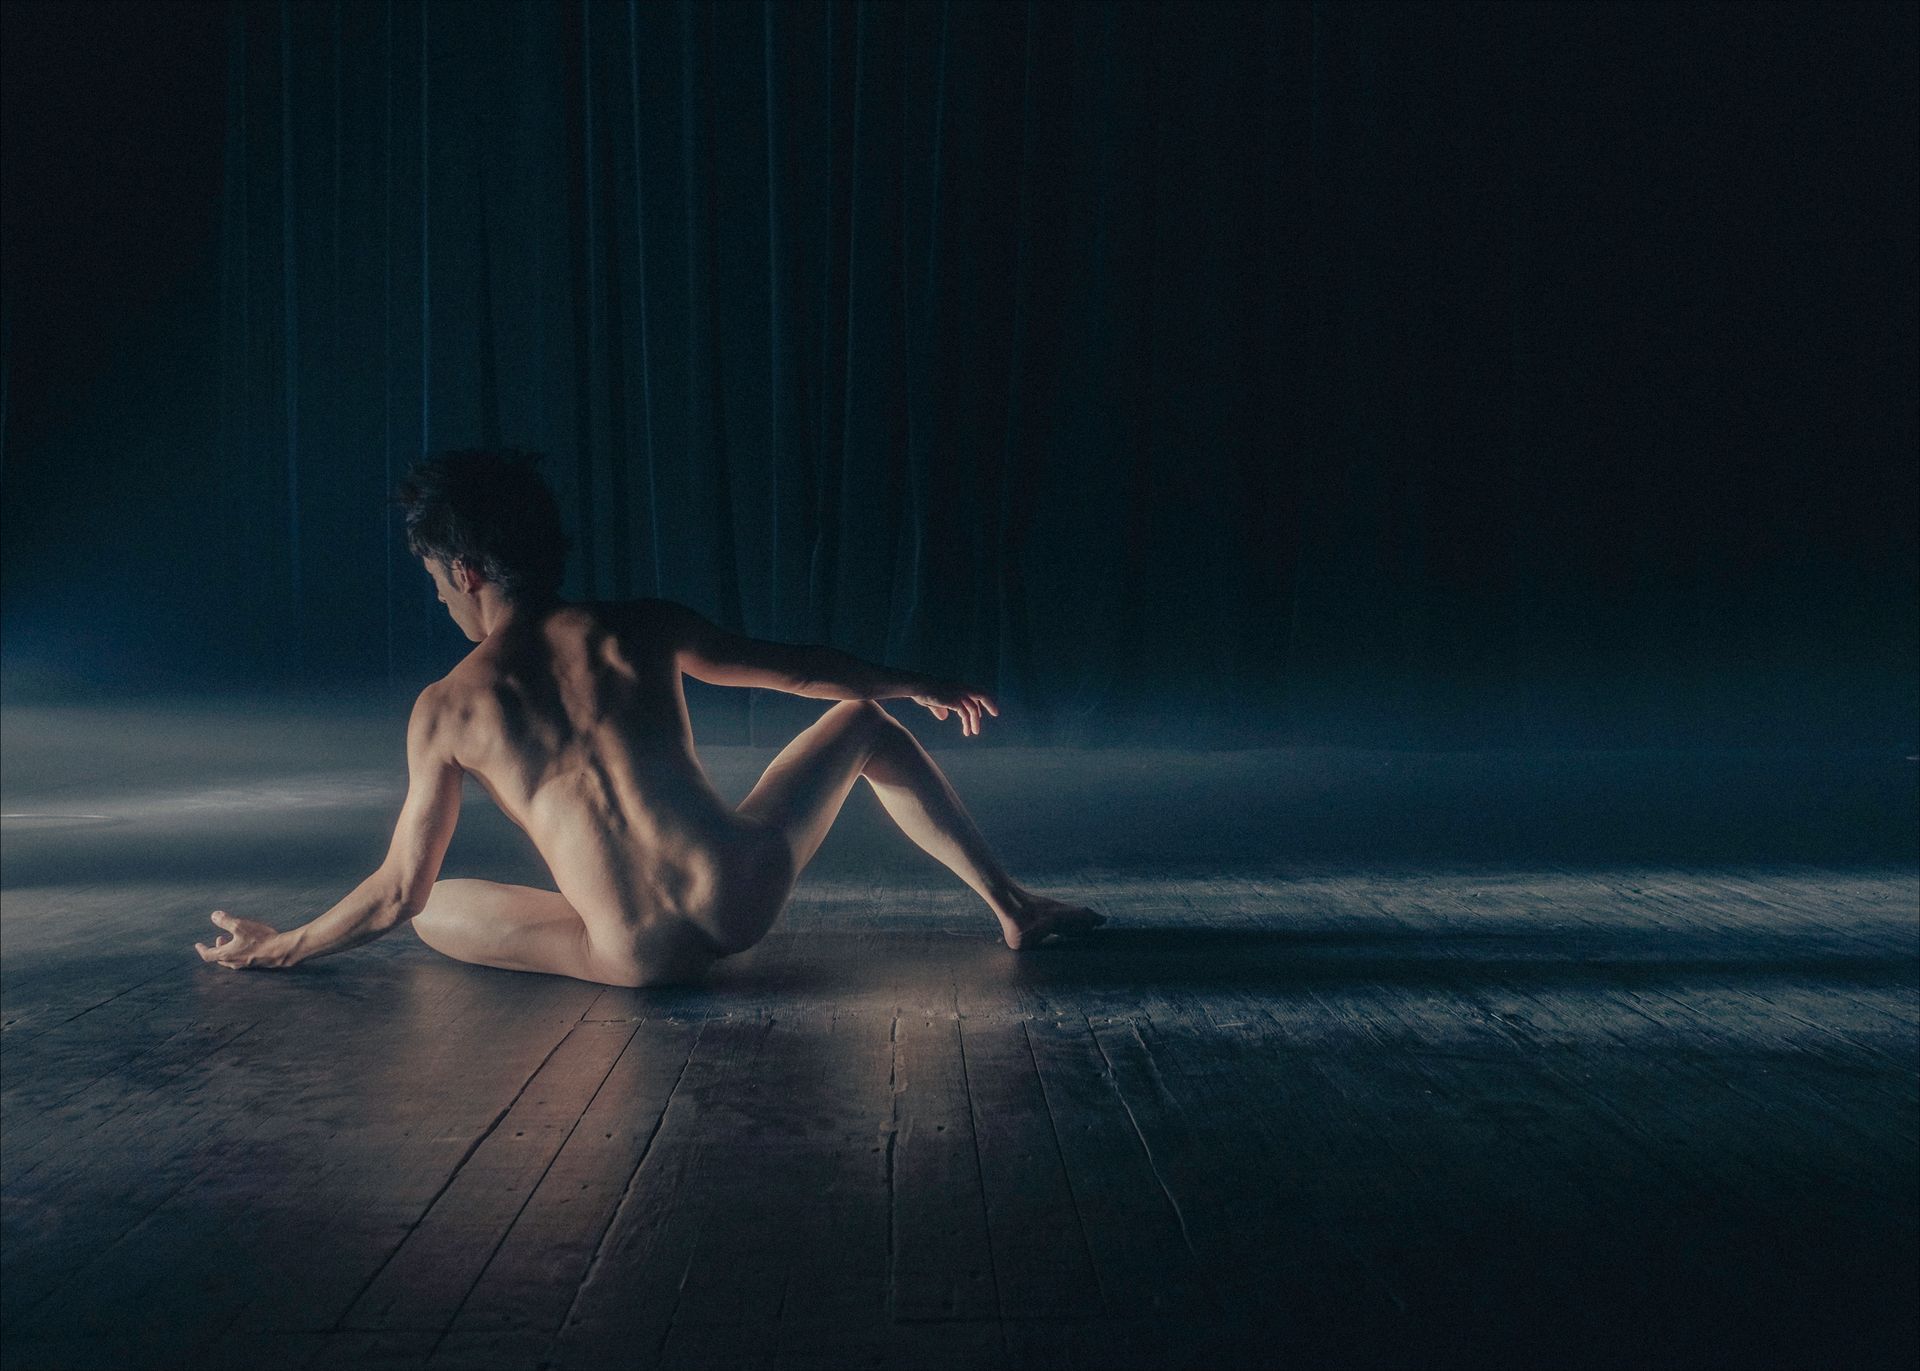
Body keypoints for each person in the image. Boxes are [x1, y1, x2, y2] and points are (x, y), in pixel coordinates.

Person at [194, 448, 1105, 987]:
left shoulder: (445, 709)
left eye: (438, 584)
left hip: (633, 957)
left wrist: (282, 947)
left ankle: (603, 897)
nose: (441, 602)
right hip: (741, 886)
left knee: (432, 907)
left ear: (466, 571)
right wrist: (916, 682)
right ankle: (1014, 908)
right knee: (863, 720)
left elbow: (397, 892)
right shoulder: (641, 626)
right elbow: (800, 672)